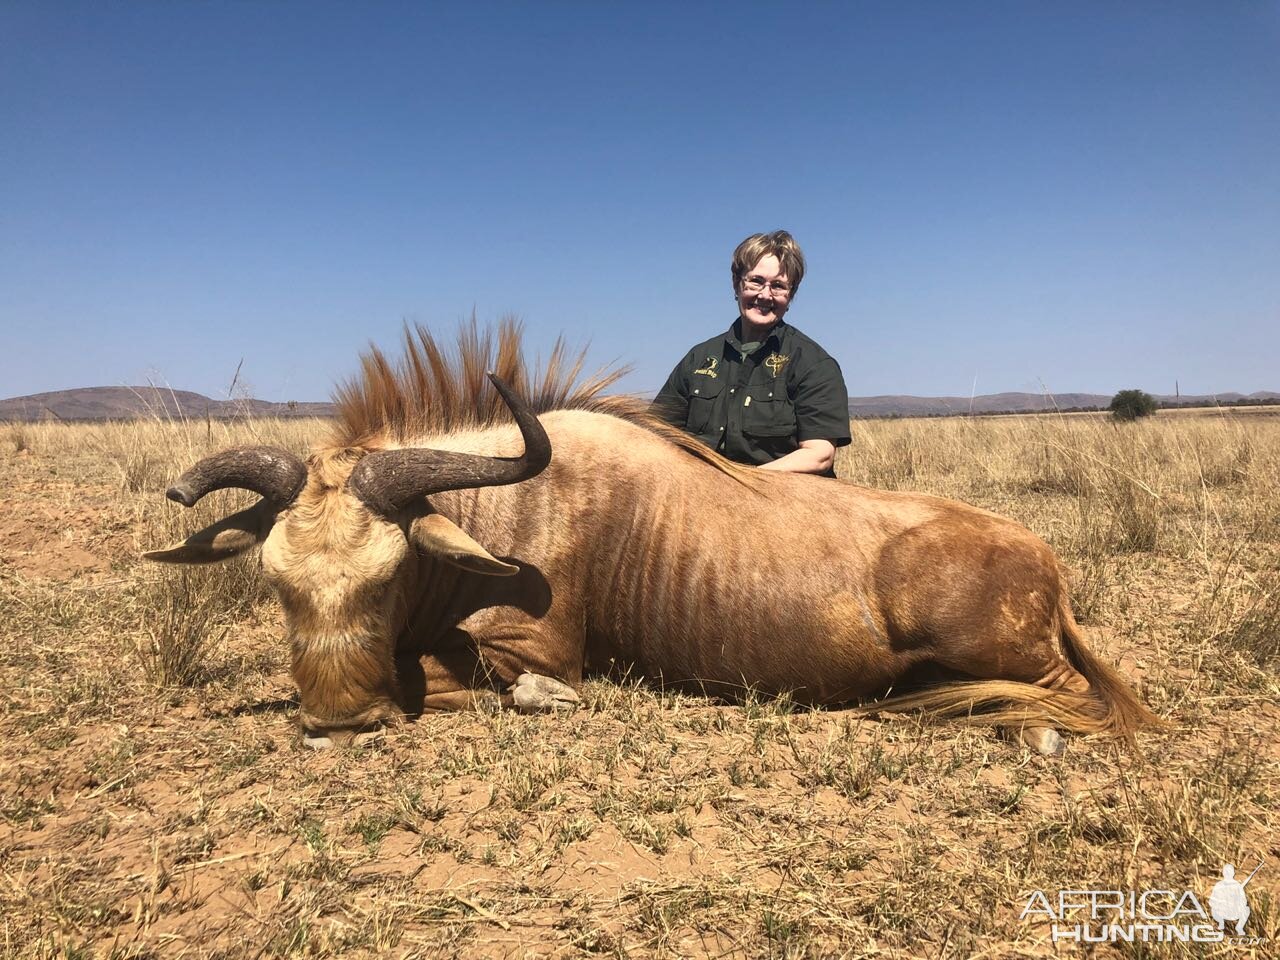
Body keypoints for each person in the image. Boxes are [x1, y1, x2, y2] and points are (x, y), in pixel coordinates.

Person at [651, 231, 851, 476]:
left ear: (790, 296)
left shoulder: (813, 363)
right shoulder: (698, 359)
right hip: (701, 502)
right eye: (756, 281)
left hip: (785, 502)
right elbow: (654, 436)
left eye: (778, 286)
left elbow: (819, 455)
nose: (765, 295)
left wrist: (740, 485)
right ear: (737, 284)